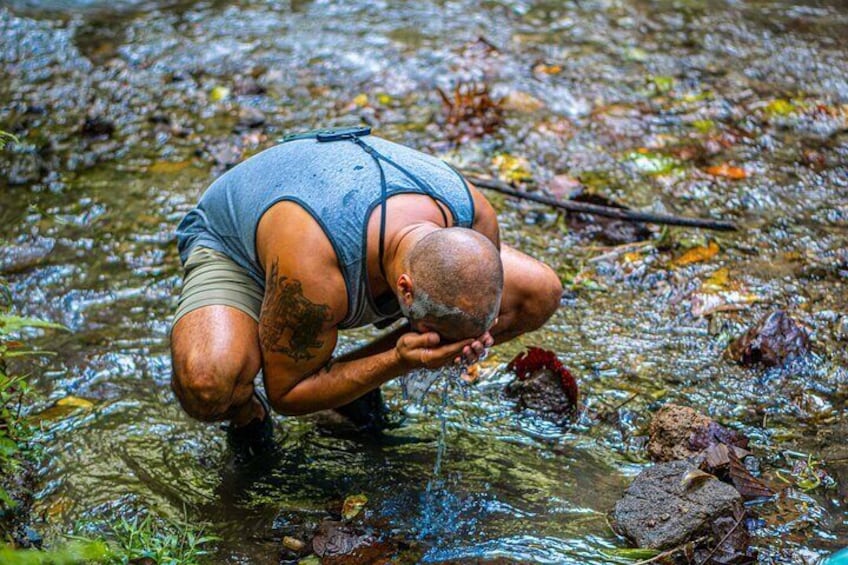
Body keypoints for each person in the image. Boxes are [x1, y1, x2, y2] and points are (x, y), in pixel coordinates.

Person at [169, 127, 562, 454]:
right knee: (208, 382)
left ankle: (346, 383)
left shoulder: (474, 216)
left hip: (358, 220)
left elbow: (487, 289)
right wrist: (398, 360)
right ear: (405, 293)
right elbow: (287, 394)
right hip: (238, 244)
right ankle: (247, 416)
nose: (441, 344)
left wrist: (468, 334)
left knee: (539, 290)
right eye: (431, 333)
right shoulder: (312, 272)